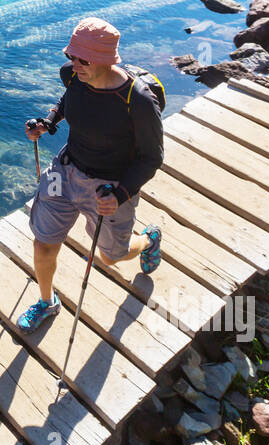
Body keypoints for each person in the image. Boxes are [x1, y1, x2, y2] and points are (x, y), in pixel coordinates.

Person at [18, 17, 164, 333]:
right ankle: (46, 302)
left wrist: (121, 194)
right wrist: (49, 123)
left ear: (106, 59)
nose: (74, 65)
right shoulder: (74, 77)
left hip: (109, 188)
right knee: (43, 243)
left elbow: (152, 158)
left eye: (83, 59)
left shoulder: (137, 99)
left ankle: (148, 240)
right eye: (71, 56)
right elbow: (68, 101)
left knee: (113, 257)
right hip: (65, 172)